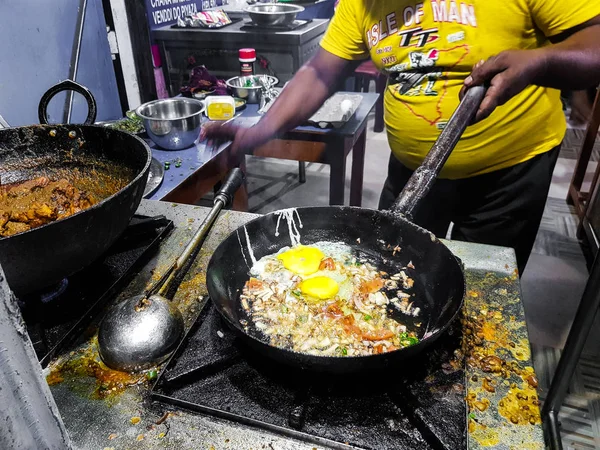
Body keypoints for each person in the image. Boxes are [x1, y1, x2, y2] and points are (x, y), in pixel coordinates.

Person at [203, 0, 600, 274]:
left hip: (508, 176)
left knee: (477, 291)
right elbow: (321, 73)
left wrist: (541, 61)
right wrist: (260, 131)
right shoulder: (364, 4)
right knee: (392, 274)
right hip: (411, 171)